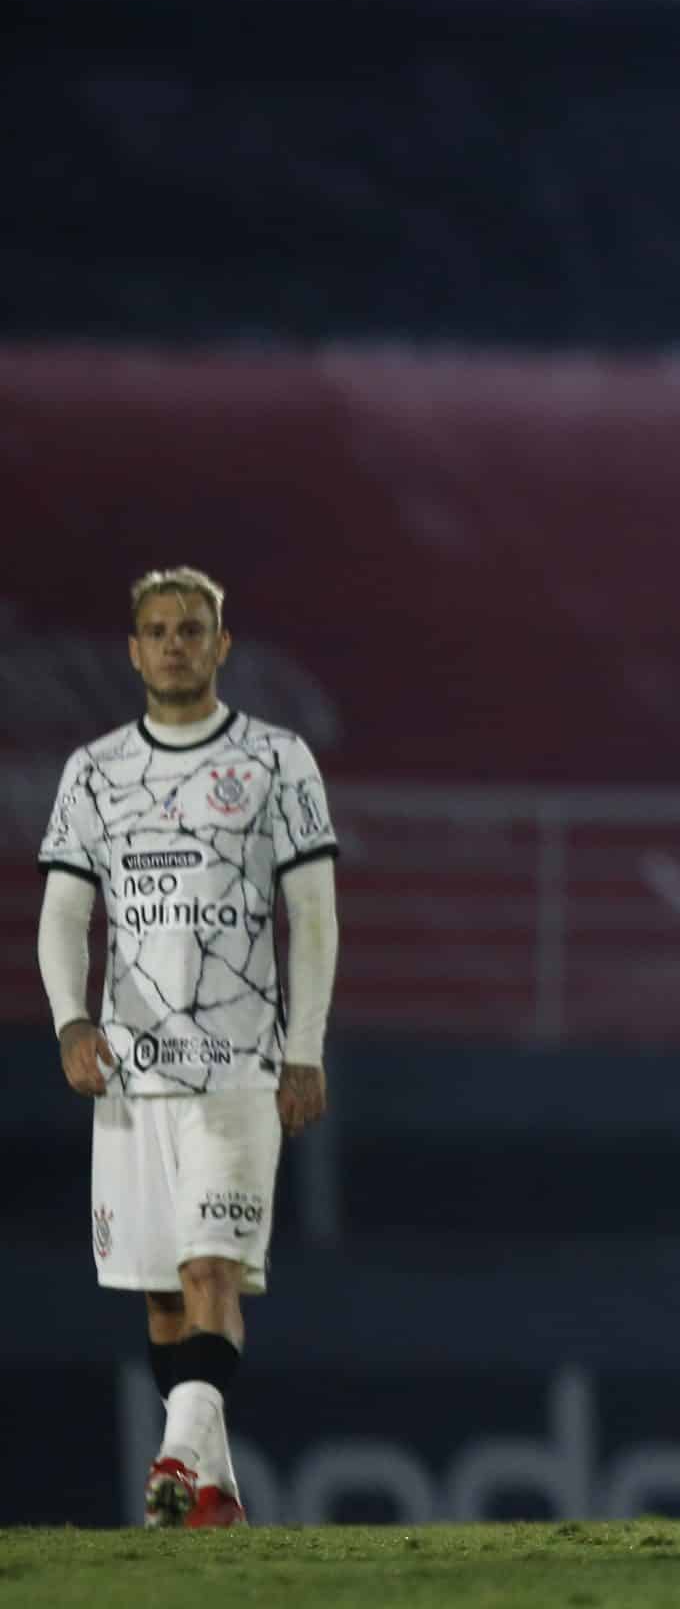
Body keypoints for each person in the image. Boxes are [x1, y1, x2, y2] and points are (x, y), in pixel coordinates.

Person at [37, 567, 340, 1530]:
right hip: (132, 1073)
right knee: (165, 1299)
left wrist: (306, 1047)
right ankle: (214, 1493)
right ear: (133, 650)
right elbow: (63, 916)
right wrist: (69, 1021)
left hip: (239, 1064)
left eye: (192, 628)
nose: (174, 643)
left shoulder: (276, 761)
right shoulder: (93, 770)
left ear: (222, 645)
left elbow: (314, 916)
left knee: (213, 1271)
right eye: (158, 629)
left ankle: (172, 1459)